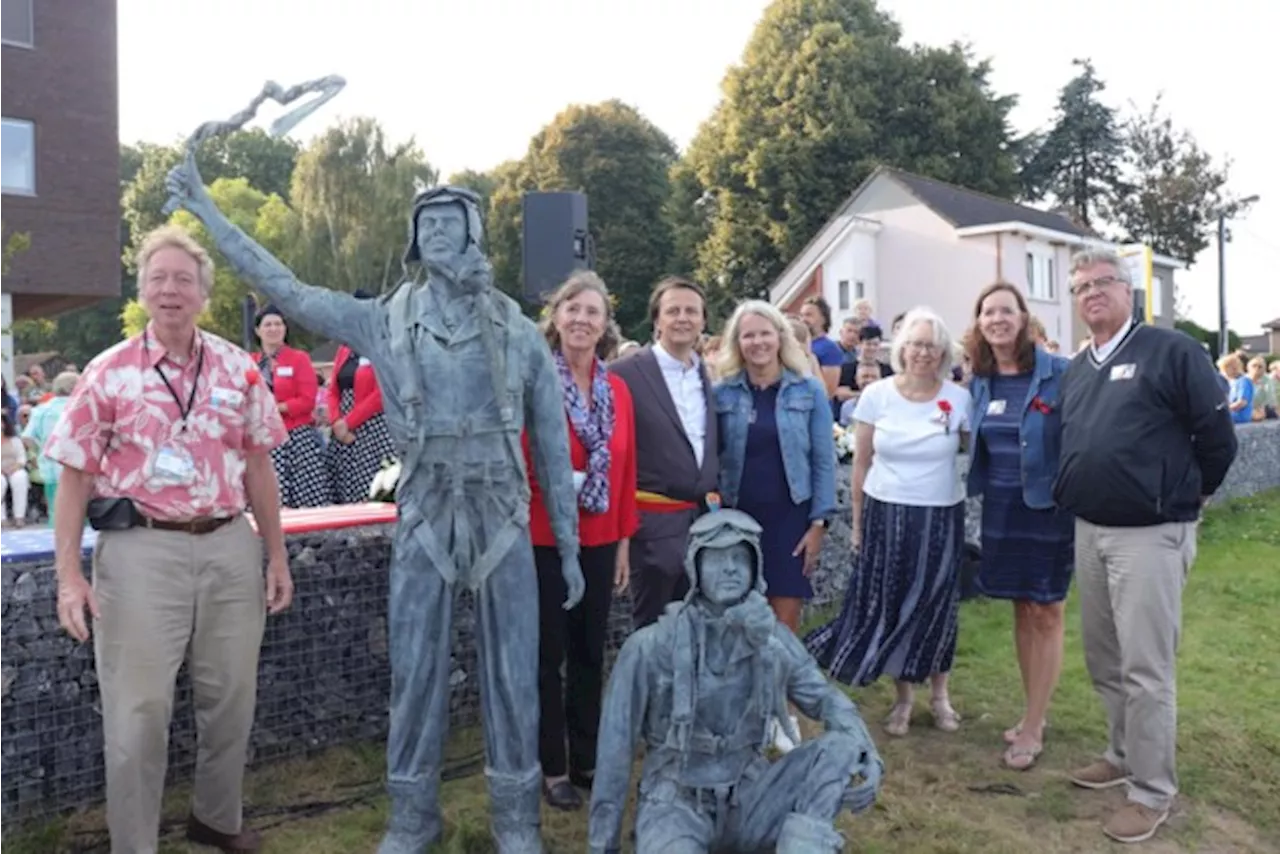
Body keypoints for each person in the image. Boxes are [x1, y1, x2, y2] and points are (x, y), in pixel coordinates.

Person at [167, 153, 583, 854]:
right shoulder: (381, 322)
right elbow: (284, 287)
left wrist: (566, 546)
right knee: (414, 671)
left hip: (501, 518)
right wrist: (206, 210)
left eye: (456, 222)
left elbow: (549, 439)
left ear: (477, 235)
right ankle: (412, 816)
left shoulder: (516, 329)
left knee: (515, 675)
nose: (444, 234)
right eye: (432, 224)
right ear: (416, 242)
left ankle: (517, 820)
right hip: (424, 516)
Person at [44, 224, 293, 854]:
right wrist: (69, 575)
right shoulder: (109, 372)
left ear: (204, 294)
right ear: (143, 291)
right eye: (158, 278)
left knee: (232, 697)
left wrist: (276, 553)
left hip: (229, 545)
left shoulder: (239, 369)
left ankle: (216, 819)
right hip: (140, 552)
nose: (171, 289)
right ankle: (135, 844)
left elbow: (260, 463)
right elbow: (73, 476)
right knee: (137, 713)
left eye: (184, 278)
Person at [1054, 248, 1237, 844]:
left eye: (1103, 282)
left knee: (1146, 668)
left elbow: (1217, 439)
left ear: (1129, 290)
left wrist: (1191, 495)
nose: (1092, 293)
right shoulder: (1079, 367)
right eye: (1081, 287)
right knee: (1104, 659)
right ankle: (1122, 753)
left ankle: (1153, 790)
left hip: (1150, 535)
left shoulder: (1171, 351)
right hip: (1091, 531)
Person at [588, 510, 883, 854]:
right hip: (677, 802)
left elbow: (825, 698)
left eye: (739, 558)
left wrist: (868, 753)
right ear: (694, 567)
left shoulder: (771, 639)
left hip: (750, 796)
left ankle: (803, 842)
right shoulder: (650, 648)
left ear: (755, 568)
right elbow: (614, 751)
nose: (729, 568)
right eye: (716, 557)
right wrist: (601, 845)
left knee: (843, 747)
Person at [806, 307, 971, 738]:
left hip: (940, 514)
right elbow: (861, 465)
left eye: (932, 346)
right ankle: (903, 698)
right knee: (896, 600)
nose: (923, 353)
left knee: (938, 604)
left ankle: (940, 695)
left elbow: (975, 448)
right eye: (915, 344)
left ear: (943, 352)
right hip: (886, 512)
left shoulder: (959, 399)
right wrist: (859, 527)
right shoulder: (876, 395)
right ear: (901, 349)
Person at [522, 271, 639, 811]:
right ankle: (552, 767)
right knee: (548, 655)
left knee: (591, 651)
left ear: (604, 325)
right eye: (573, 309)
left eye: (592, 312)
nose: (581, 320)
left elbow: (624, 469)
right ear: (556, 317)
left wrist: (620, 543)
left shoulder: (617, 389)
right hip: (541, 535)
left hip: (597, 537)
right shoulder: (532, 379)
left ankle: (587, 757)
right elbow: (516, 456)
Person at [713, 300, 836, 751]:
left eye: (766, 333)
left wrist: (819, 522)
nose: (758, 342)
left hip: (790, 518)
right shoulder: (723, 394)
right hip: (738, 523)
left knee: (783, 624)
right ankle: (746, 709)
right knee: (738, 620)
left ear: (781, 338)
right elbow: (711, 461)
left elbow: (824, 460)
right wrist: (713, 519)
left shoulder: (807, 390)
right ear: (737, 343)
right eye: (748, 335)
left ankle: (781, 711)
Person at [965, 283, 1073, 771]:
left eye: (1006, 310)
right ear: (979, 323)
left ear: (1024, 318)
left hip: (1049, 509)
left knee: (1046, 611)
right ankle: (1037, 709)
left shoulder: (1058, 374)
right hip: (1002, 509)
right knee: (1021, 609)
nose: (997, 319)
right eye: (988, 312)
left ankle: (1033, 725)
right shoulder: (980, 381)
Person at [609, 276, 719, 629]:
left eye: (691, 311)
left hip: (702, 524)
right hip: (652, 529)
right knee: (653, 632)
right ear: (657, 320)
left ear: (703, 320)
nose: (682, 318)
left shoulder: (707, 374)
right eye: (673, 311)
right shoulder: (624, 373)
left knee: (696, 626)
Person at [253, 305, 332, 508]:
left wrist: (276, 409)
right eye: (268, 324)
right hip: (264, 438)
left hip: (296, 437)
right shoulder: (250, 362)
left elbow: (306, 400)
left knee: (307, 498)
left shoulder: (298, 359)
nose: (273, 329)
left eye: (278, 324)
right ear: (258, 330)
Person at [326, 289, 398, 504]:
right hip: (343, 432)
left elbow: (382, 392)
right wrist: (336, 421)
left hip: (373, 428)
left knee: (372, 488)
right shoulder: (344, 348)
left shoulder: (384, 346)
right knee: (346, 488)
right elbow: (332, 389)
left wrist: (349, 422)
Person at [21, 370, 77, 525]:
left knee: (56, 511)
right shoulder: (81, 406)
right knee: (80, 513)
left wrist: (39, 450)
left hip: (51, 466)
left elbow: (26, 437)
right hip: (79, 466)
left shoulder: (41, 410)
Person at [0, 412, 30, 526]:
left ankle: (19, 517)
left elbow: (22, 458)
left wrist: (15, 467)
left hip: (14, 468)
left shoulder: (15, 440)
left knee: (20, 478)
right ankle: (2, 518)